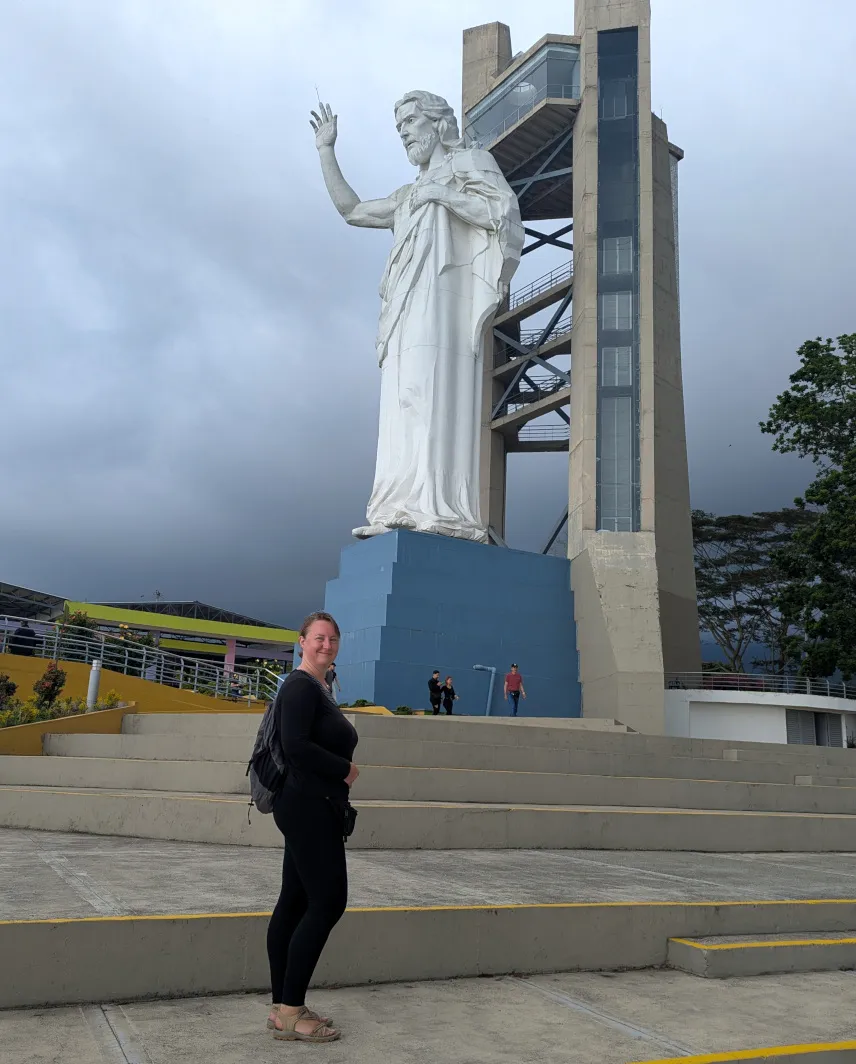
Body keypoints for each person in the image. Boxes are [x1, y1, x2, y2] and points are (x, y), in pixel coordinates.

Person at [310, 93, 522, 541]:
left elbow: (501, 213)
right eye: (399, 126)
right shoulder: (406, 195)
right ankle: (397, 505)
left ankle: (436, 507)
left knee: (431, 391)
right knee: (402, 398)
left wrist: (442, 193)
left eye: (410, 120)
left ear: (438, 123)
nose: (404, 132)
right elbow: (352, 210)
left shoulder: (471, 164)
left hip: (443, 302)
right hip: (404, 304)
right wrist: (326, 150)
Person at [266, 611, 359, 1043]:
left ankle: (283, 1007)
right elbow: (295, 746)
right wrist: (345, 770)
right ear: (302, 641)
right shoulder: (301, 686)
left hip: (309, 804)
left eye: (333, 638)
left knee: (294, 900)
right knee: (328, 902)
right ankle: (290, 1012)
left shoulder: (317, 687)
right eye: (319, 637)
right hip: (307, 806)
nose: (327, 644)